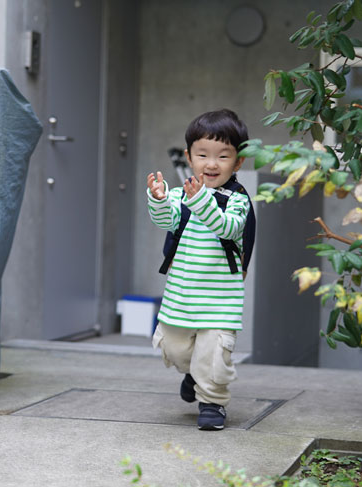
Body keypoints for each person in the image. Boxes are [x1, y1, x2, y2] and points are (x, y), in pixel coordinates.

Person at [146, 108, 251, 430]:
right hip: (182, 295)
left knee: (214, 356)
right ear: (190, 158)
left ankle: (213, 403)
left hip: (221, 300)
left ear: (238, 162)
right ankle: (193, 374)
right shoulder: (181, 195)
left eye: (223, 156)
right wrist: (160, 199)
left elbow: (229, 228)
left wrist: (203, 201)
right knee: (174, 348)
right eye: (202, 154)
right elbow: (166, 221)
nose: (211, 163)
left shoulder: (237, 199)